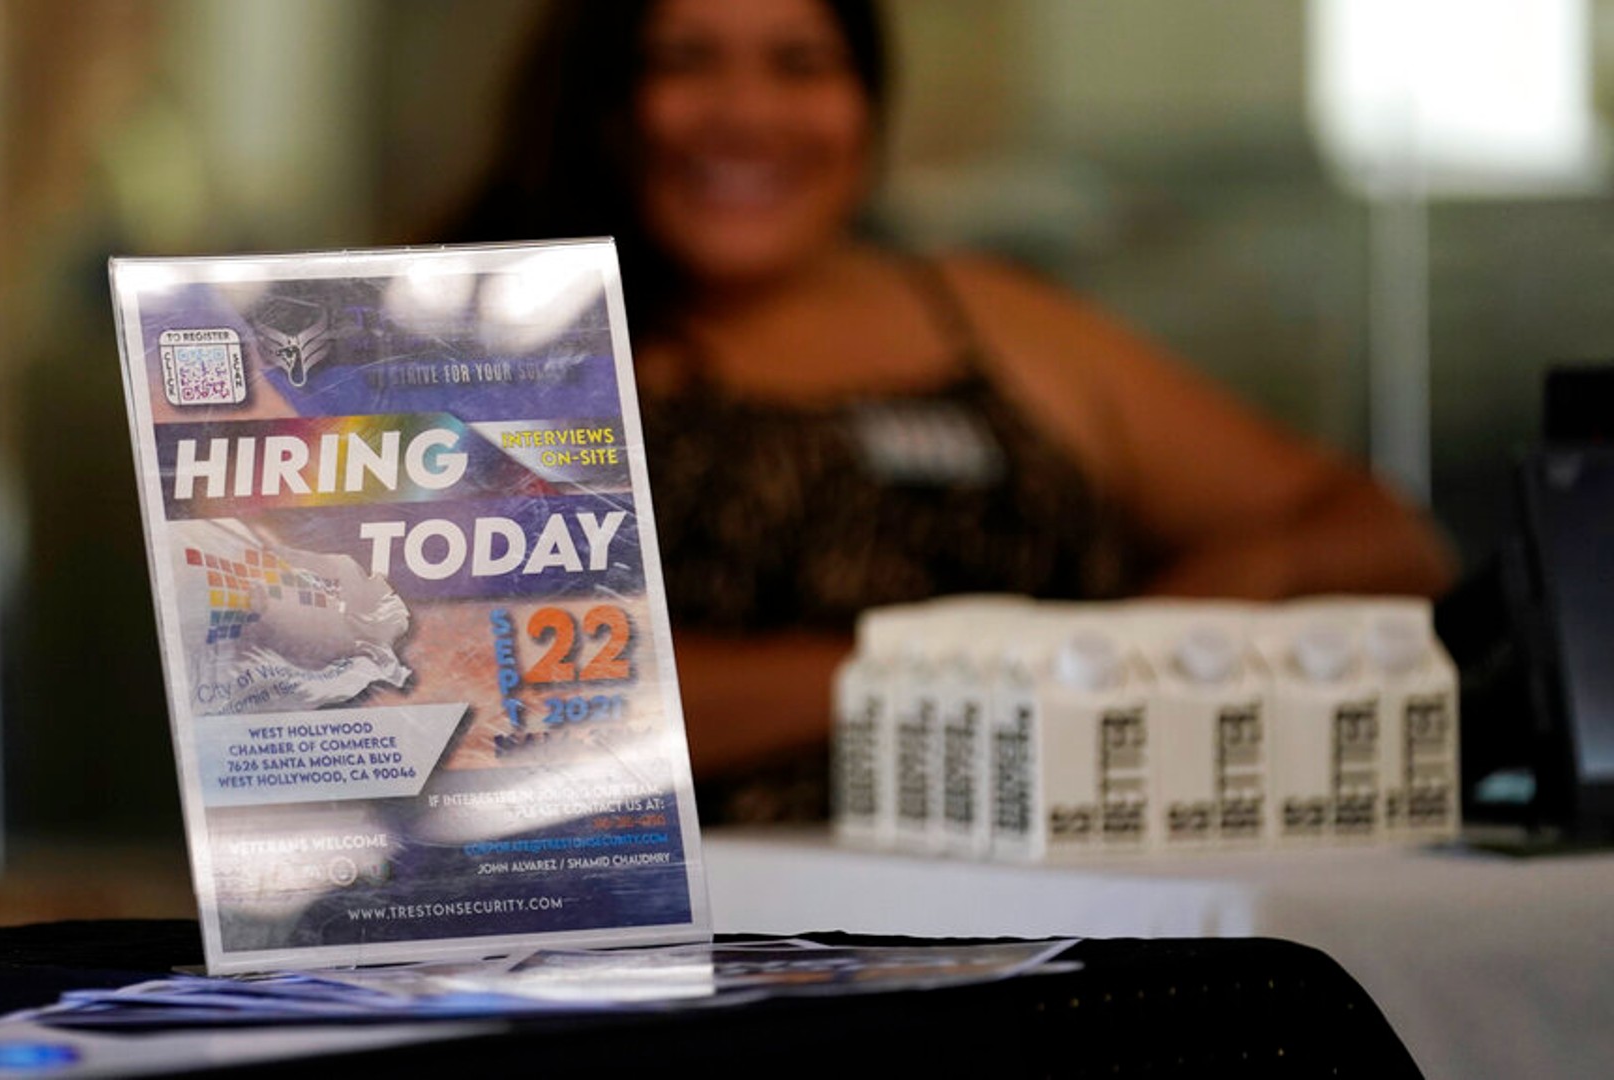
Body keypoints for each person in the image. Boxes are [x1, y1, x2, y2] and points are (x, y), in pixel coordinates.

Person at [430, 0, 1457, 822]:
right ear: (599, 98)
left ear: (868, 103)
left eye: (802, 63)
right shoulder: (482, 340)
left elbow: (1385, 539)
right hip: (689, 957)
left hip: (1066, 927)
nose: (747, 112)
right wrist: (984, 672)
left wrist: (1203, 601)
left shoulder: (994, 319)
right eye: (685, 59)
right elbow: (455, 699)